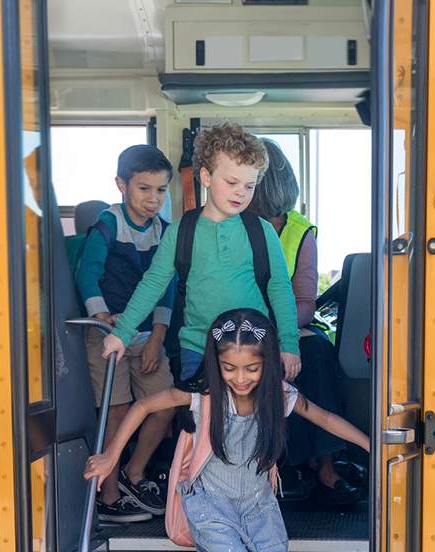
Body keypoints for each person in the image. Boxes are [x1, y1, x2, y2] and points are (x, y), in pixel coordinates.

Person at [85, 308, 369, 552]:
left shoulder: (279, 395)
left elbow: (324, 418)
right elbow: (143, 406)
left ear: (268, 363)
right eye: (229, 368)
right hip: (211, 501)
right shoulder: (203, 397)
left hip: (258, 504)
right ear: (215, 364)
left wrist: (371, 445)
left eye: (252, 368)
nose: (241, 378)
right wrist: (110, 456)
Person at [99, 122, 301, 387]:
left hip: (255, 348)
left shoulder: (261, 231)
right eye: (231, 182)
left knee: (253, 427)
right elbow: (153, 284)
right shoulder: (181, 231)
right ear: (206, 177)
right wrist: (122, 333)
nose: (241, 192)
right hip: (198, 348)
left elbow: (280, 287)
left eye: (250, 186)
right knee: (202, 425)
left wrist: (289, 343)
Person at [249, 137, 363, 505]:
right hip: (241, 325)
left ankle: (324, 466)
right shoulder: (228, 224)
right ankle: (281, 467)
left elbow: (305, 302)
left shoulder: (300, 232)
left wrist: (280, 331)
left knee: (315, 352)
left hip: (286, 324)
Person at [75, 144, 177, 523]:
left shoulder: (165, 232)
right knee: (115, 414)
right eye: (144, 189)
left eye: (161, 190)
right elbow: (88, 272)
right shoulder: (107, 224)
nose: (153, 199)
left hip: (148, 336)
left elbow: (166, 286)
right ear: (121, 185)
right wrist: (101, 315)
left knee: (165, 406)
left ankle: (135, 473)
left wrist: (158, 338)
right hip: (108, 334)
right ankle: (110, 494)